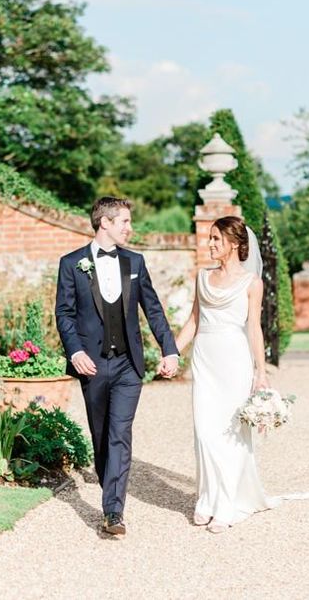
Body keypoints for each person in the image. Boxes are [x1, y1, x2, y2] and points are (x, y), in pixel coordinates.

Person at [55, 196, 179, 535]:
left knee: (120, 433)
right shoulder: (72, 264)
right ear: (105, 223)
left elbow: (153, 309)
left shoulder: (135, 261)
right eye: (124, 221)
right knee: (101, 437)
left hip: (127, 365)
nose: (130, 227)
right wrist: (75, 351)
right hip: (91, 365)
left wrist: (170, 350)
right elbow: (64, 314)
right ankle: (107, 482)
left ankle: (113, 511)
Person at [173, 215, 273, 534]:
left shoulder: (252, 283)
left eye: (216, 238)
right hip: (204, 358)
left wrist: (261, 371)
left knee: (231, 434)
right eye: (210, 238)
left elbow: (254, 328)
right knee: (204, 431)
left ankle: (226, 504)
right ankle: (207, 498)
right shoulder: (202, 277)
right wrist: (171, 352)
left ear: (234, 243)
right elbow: (192, 322)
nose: (211, 244)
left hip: (234, 360)